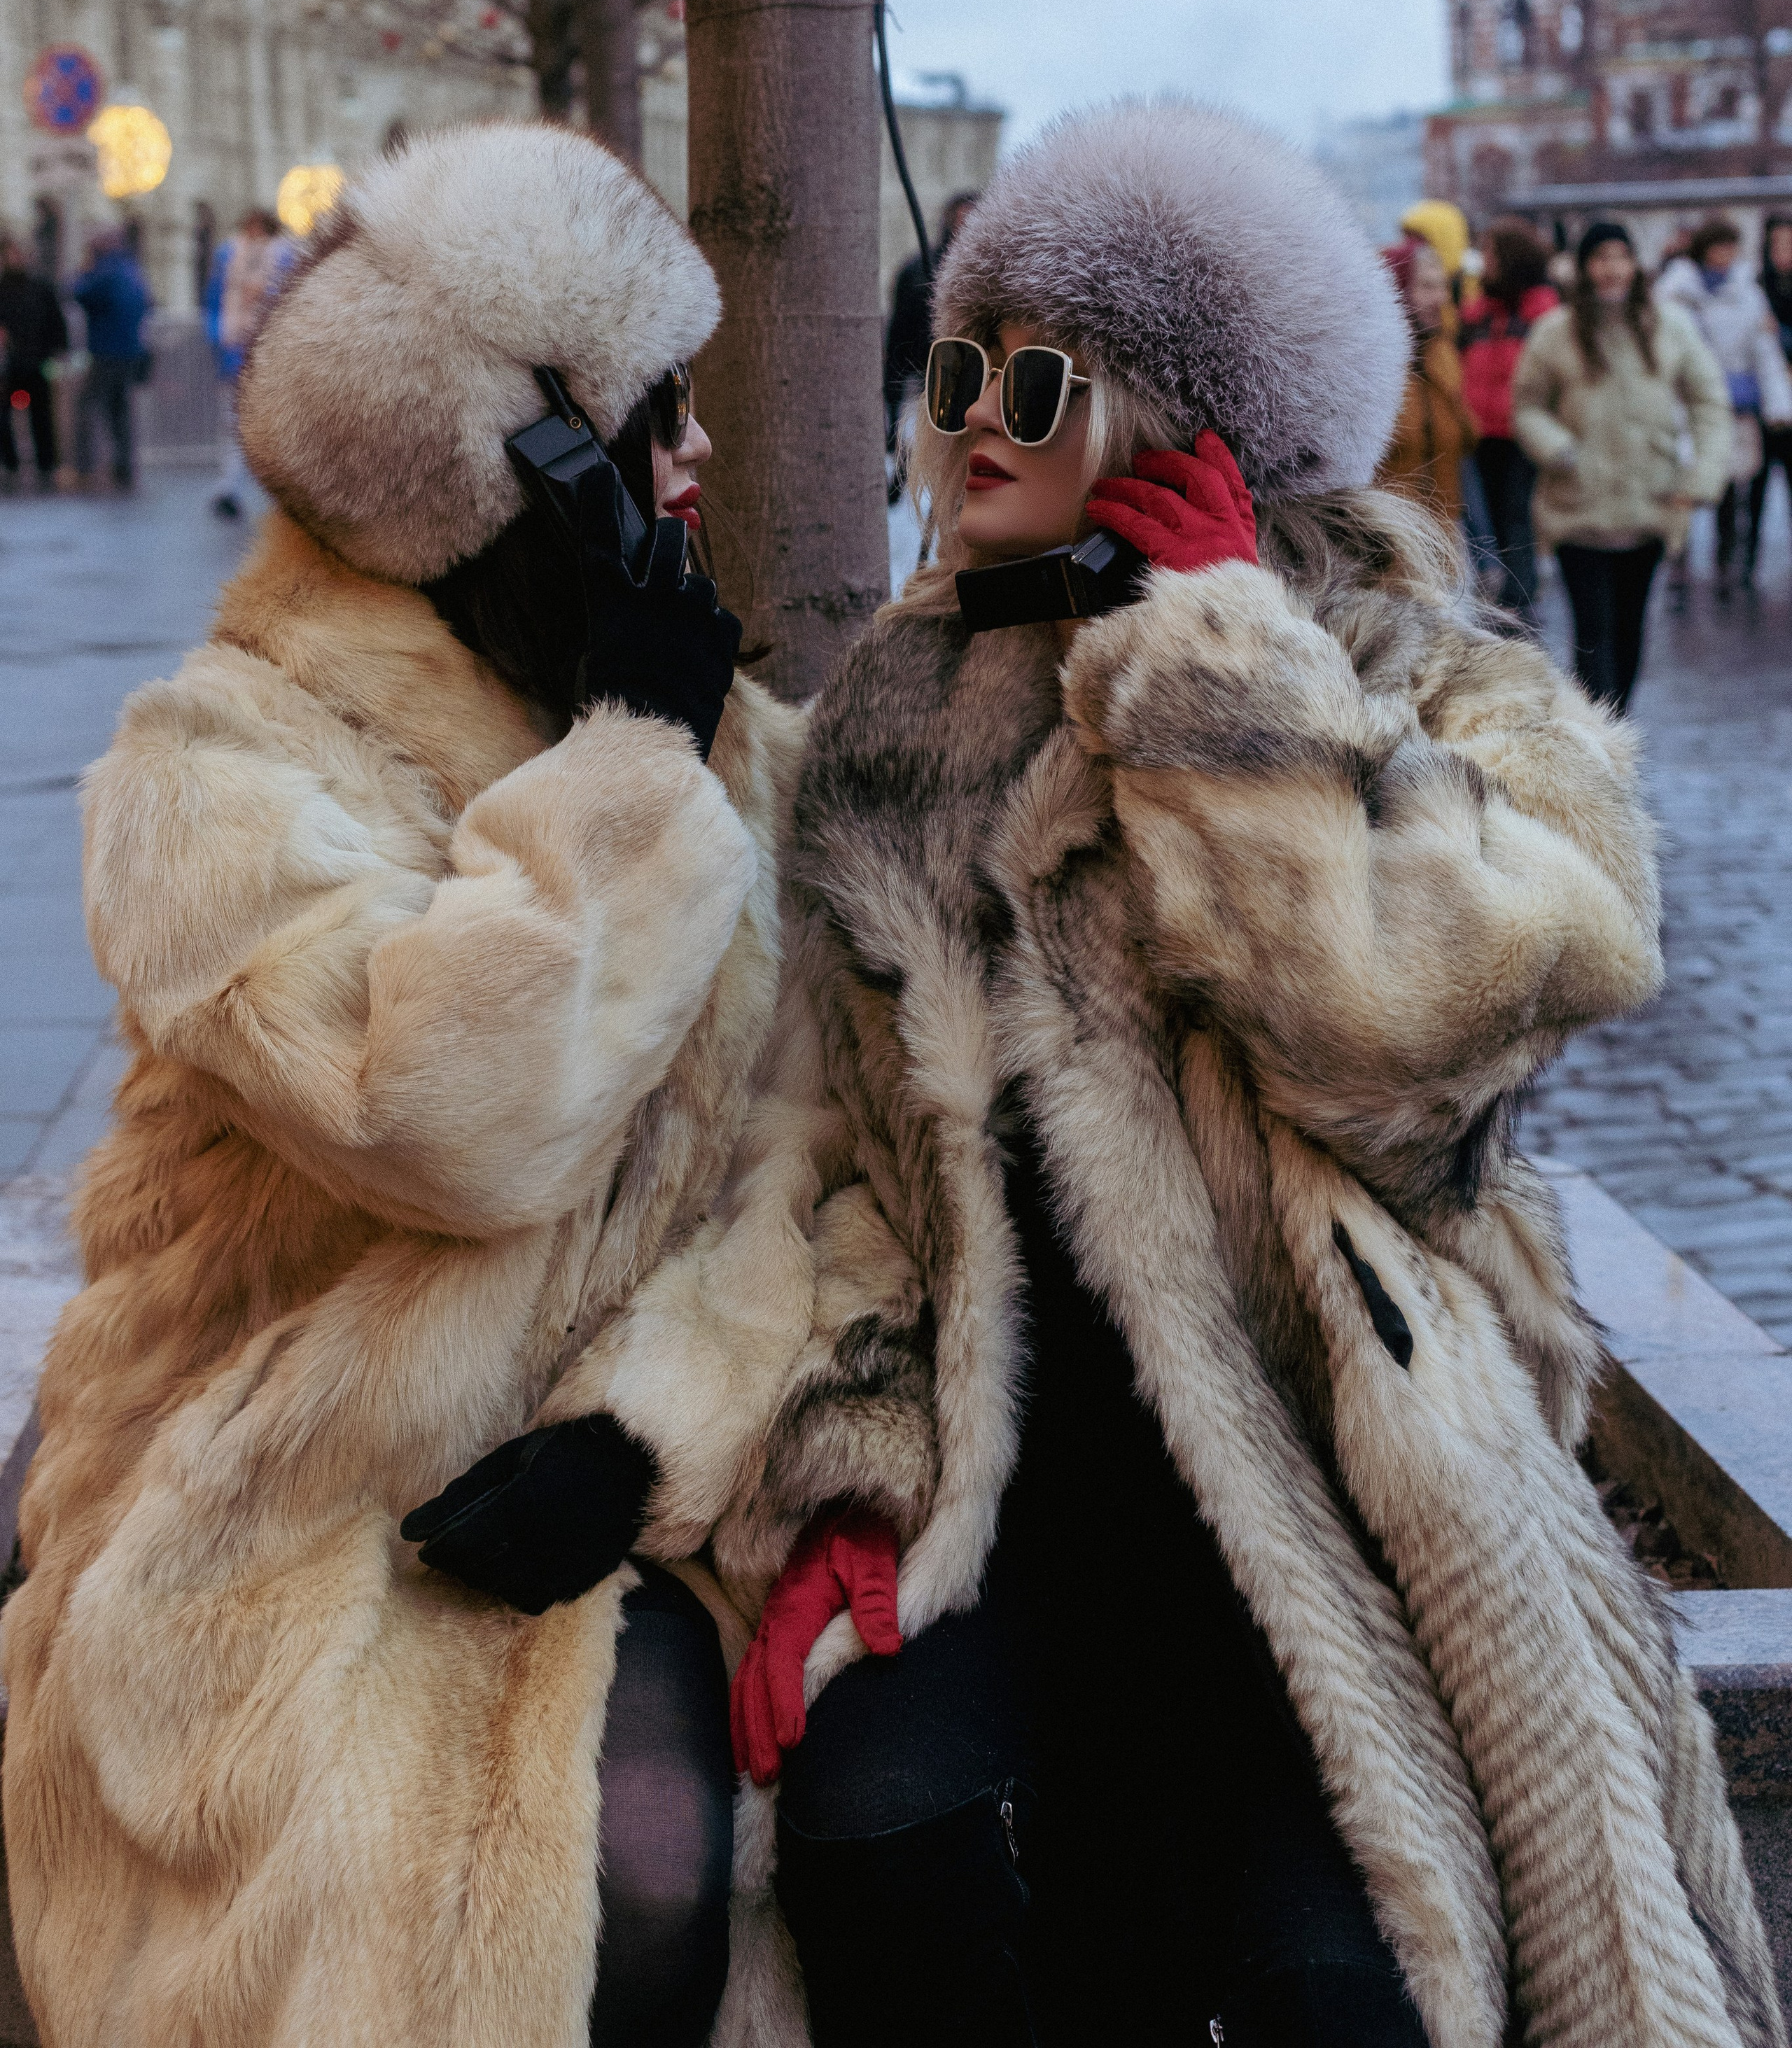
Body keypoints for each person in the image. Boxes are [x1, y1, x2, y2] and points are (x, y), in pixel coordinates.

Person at [727, 104, 1778, 2048]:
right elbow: (842, 1147)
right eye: (957, 365)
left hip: (1353, 1495)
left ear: (1180, 419)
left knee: (1339, 1999)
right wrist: (852, 1475)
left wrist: (1232, 681)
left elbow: (1414, 1041)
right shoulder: (897, 702)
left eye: (1035, 380)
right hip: (1016, 1484)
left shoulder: (1429, 678)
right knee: (879, 1838)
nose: (971, 419)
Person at [1, 124, 909, 2048]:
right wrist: (629, 769)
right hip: (279, 1500)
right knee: (404, 1905)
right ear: (531, 475)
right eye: (659, 418)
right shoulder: (219, 766)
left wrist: (652, 1426)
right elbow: (447, 1118)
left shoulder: (720, 741)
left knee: (669, 1860)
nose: (704, 458)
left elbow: (811, 1159)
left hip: (589, 1492)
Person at [1513, 219, 1730, 714]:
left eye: (1620, 256)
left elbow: (1708, 402)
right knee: (1593, 637)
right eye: (1600, 258)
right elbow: (1527, 405)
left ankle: (1613, 734)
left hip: (1649, 507)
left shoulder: (1670, 325)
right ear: (1584, 268)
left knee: (1630, 634)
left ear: (1635, 264)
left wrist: (1702, 476)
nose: (1611, 269)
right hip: (1578, 512)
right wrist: (1559, 449)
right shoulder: (1556, 333)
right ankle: (1600, 749)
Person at [1656, 216, 1792, 597]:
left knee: (1730, 487)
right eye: (1720, 247)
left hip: (1733, 407)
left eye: (1732, 248)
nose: (1726, 256)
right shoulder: (1674, 294)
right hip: (1684, 406)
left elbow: (1764, 354)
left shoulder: (1747, 293)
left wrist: (1779, 404)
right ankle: (1678, 558)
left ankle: (1726, 562)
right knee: (1683, 482)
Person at [1457, 219, 1559, 622]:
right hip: (1482, 430)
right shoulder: (1478, 310)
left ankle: (1521, 595)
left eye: (1491, 253)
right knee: (1491, 514)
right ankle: (1509, 590)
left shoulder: (1543, 309)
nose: (1484, 262)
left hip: (1522, 430)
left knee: (1518, 511)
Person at [1374, 234, 1478, 522]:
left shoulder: (1442, 352)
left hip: (1444, 534)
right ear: (1396, 290)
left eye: (1442, 285)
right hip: (1387, 541)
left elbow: (1467, 438)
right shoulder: (1374, 368)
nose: (1442, 298)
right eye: (1427, 287)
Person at [884, 188, 979, 492]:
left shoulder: (982, 277)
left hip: (956, 378)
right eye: (961, 217)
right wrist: (893, 385)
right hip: (913, 374)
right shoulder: (916, 270)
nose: (966, 225)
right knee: (909, 442)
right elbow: (898, 330)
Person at [204, 203, 283, 517]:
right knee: (233, 423)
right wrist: (218, 339)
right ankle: (229, 488)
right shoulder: (228, 255)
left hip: (270, 353)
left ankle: (278, 490)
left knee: (273, 425)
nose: (252, 234)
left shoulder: (283, 256)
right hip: (236, 351)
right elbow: (213, 301)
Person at [66, 227, 153, 491]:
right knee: (119, 411)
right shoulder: (132, 270)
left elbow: (77, 291)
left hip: (107, 350)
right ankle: (124, 468)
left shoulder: (104, 271)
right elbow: (146, 303)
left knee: (86, 407)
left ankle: (83, 468)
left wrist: (82, 271)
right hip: (130, 350)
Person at [0, 235, 68, 490]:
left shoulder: (41, 287)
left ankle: (46, 463)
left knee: (42, 415)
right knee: (5, 417)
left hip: (37, 362)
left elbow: (55, 322)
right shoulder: (5, 289)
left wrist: (57, 351)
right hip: (11, 365)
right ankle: (11, 462)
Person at [1747, 211, 1792, 581]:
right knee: (1755, 487)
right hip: (1764, 403)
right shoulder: (1757, 285)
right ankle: (1746, 563)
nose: (1784, 252)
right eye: (1777, 243)